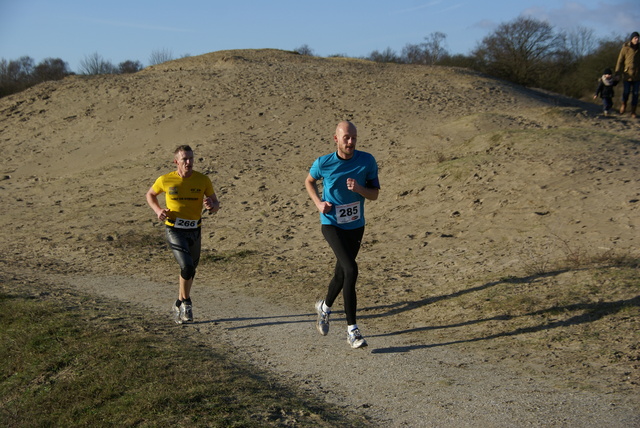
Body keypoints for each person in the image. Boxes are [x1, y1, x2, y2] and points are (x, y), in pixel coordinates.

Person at [305, 121, 380, 349]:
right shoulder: (324, 163)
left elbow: (374, 194)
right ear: (336, 139)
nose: (351, 142)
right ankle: (352, 331)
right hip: (332, 224)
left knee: (341, 273)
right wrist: (318, 203)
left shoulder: (367, 161)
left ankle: (325, 308)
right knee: (351, 269)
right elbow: (309, 181)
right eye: (346, 137)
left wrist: (359, 189)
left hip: (356, 226)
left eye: (354, 138)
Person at [146, 145, 220, 324]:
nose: (189, 162)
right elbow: (150, 194)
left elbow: (216, 204)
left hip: (195, 229)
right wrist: (158, 210)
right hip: (174, 229)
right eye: (185, 159)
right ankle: (187, 303)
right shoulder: (165, 180)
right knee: (186, 266)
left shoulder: (202, 180)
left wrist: (211, 206)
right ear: (176, 162)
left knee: (191, 269)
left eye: (191, 159)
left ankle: (179, 302)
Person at [615, 31, 640, 118]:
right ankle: (623, 105)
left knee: (636, 94)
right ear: (631, 39)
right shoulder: (625, 49)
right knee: (626, 92)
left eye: (638, 38)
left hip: (637, 75)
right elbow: (620, 62)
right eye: (635, 38)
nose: (637, 39)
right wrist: (617, 73)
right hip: (627, 75)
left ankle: (633, 111)